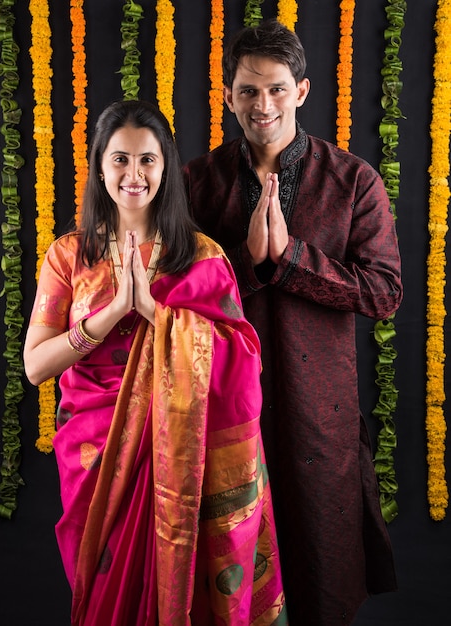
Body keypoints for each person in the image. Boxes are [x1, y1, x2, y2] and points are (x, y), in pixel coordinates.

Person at [23, 99, 288, 626]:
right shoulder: (68, 255)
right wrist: (113, 312)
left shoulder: (202, 258)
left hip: (179, 461)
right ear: (99, 167)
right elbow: (35, 367)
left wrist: (152, 309)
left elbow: (244, 368)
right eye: (120, 159)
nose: (133, 174)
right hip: (96, 461)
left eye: (147, 160)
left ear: (165, 167)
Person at [183, 19, 403, 626]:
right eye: (249, 91)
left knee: (321, 572)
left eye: (277, 89)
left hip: (319, 413)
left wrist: (293, 262)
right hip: (225, 410)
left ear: (302, 91)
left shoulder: (353, 181)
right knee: (228, 579)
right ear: (228, 95)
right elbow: (173, 297)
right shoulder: (197, 185)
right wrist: (248, 269)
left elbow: (385, 292)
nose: (263, 105)